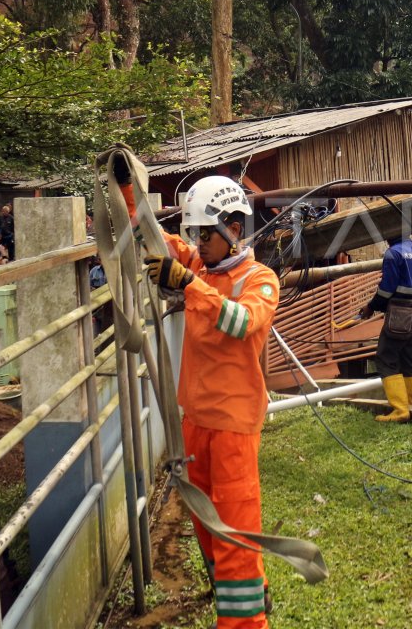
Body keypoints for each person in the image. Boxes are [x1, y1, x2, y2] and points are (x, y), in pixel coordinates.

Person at [115, 160, 279, 629]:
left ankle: (245, 623)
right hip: (195, 424)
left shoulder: (259, 279)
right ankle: (250, 594)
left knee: (233, 534)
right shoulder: (200, 262)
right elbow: (152, 237)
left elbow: (242, 323)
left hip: (233, 429)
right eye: (196, 237)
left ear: (232, 228)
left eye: (205, 236)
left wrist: (189, 284)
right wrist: (128, 189)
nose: (199, 247)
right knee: (206, 524)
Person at [358, 233, 412, 422]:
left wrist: (371, 307)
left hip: (400, 318)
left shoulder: (393, 254)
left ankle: (400, 410)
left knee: (385, 358)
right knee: (407, 361)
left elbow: (386, 290)